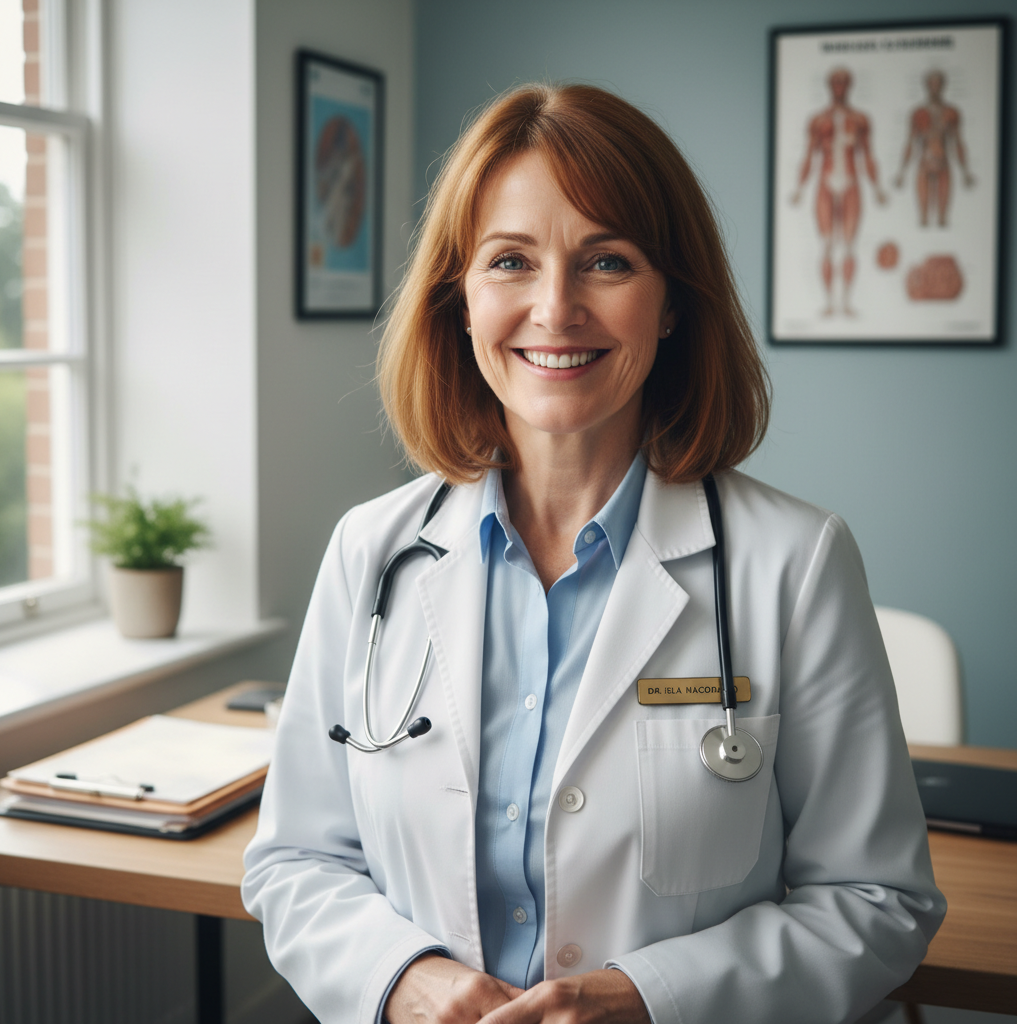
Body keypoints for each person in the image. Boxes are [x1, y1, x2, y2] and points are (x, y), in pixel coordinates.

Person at [242, 83, 944, 1024]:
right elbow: (296, 861)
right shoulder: (371, 552)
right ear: (460, 300)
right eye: (511, 262)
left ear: (671, 306)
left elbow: (877, 900)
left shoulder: (796, 563)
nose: (555, 308)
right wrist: (405, 983)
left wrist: (650, 1001)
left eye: (607, 261)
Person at [791, 67, 887, 317]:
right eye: (836, 82)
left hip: (851, 183)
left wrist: (877, 188)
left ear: (850, 86)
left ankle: (845, 302)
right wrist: (799, 188)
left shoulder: (860, 120)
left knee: (848, 246)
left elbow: (867, 155)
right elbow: (809, 156)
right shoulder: (818, 121)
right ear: (830, 86)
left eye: (844, 83)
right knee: (826, 245)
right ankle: (828, 303)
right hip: (826, 181)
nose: (840, 87)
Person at [894, 70, 975, 228]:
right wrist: (901, 172)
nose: (935, 88)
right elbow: (910, 143)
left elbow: (958, 142)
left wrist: (965, 172)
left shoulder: (952, 113)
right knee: (923, 219)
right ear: (926, 86)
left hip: (943, 163)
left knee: (943, 219)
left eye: (938, 84)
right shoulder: (918, 113)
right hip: (924, 164)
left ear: (943, 86)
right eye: (931, 84)